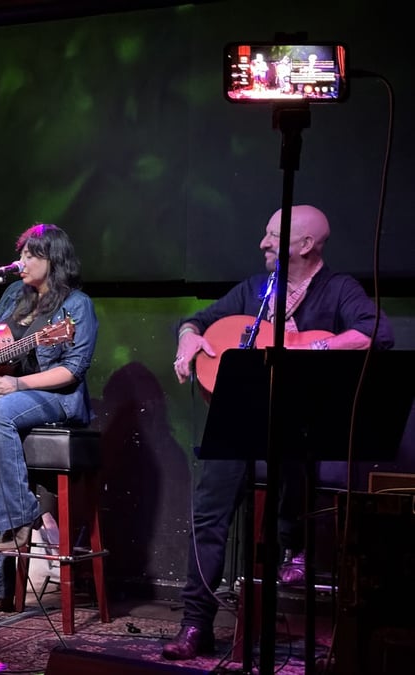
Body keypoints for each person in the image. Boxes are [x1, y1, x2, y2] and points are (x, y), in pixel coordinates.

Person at [163, 204, 395, 660]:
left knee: (295, 473)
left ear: (306, 244)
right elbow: (198, 321)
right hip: (241, 417)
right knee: (209, 513)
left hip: (298, 423)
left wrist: (309, 344)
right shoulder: (255, 289)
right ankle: (196, 625)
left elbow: (375, 334)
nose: (263, 243)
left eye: (273, 235)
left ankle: (295, 552)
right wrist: (187, 336)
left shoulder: (338, 289)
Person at [0, 223, 98, 606]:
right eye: (20, 254)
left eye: (29, 255)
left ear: (52, 260)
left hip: (56, 399)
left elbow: (73, 370)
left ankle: (23, 516)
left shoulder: (76, 306)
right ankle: (3, 587)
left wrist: (18, 386)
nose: (20, 262)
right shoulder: (12, 294)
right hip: (9, 403)